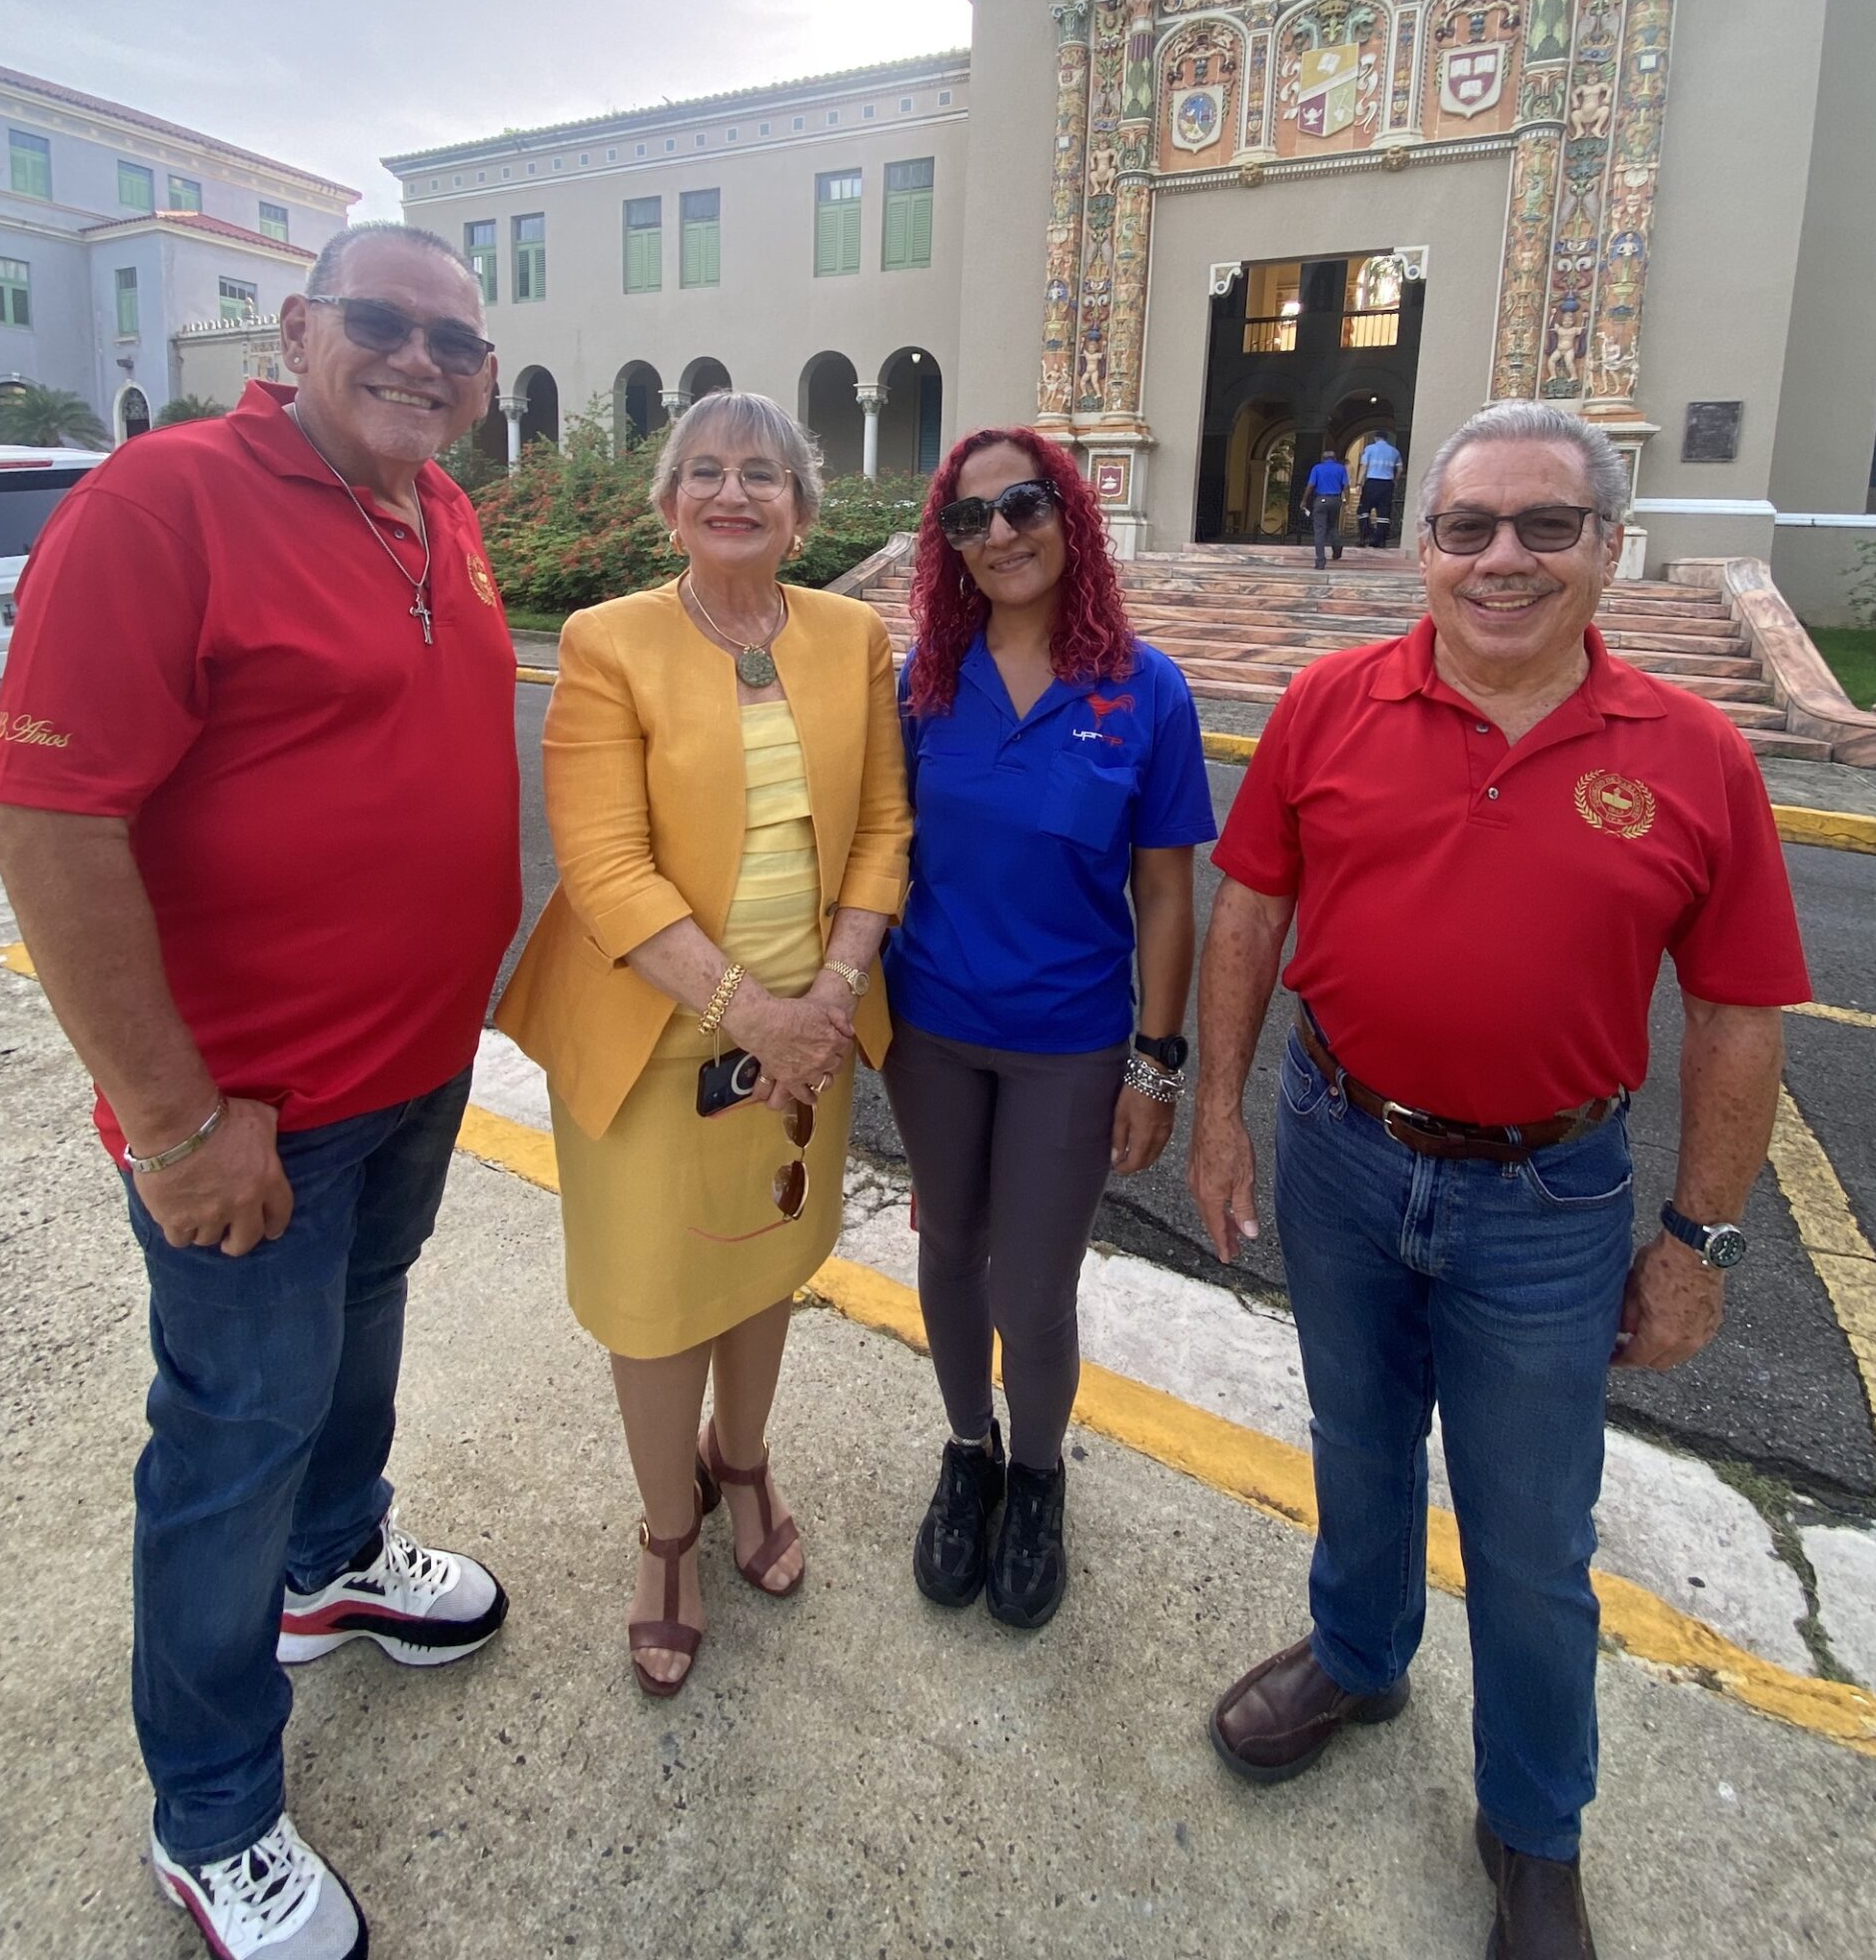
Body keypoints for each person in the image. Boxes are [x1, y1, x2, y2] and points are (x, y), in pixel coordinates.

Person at [1186, 400, 1808, 1960]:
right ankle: (1359, 1653)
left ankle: (1533, 1828)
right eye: (1468, 528)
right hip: (1340, 1151)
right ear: (1426, 546)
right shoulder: (1329, 703)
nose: (1503, 559)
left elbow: (1738, 1010)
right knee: (1359, 1440)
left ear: (1608, 547)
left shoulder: (1695, 753)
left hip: (1550, 1201)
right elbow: (1251, 908)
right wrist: (1219, 1112)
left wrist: (1701, 1239)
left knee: (1533, 1537)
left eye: (1545, 527)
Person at [0, 223, 523, 1960]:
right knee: (227, 1443)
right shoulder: (163, 502)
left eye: (455, 338)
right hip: (252, 1118)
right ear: (293, 333)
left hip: (414, 1076)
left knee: (354, 1348)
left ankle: (339, 1562)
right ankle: (212, 1815)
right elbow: (49, 828)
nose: (421, 359)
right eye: (381, 323)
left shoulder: (435, 507)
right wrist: (172, 1122)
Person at [494, 391, 910, 1698]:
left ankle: (744, 1462)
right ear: (669, 504)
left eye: (765, 475)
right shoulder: (608, 641)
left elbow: (888, 830)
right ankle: (667, 1537)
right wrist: (761, 1018)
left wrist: (829, 996)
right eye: (708, 473)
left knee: (766, 1262)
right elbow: (607, 868)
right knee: (653, 1298)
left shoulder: (852, 638)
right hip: (663, 1035)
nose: (736, 493)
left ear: (801, 511)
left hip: (810, 1038)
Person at [883, 429, 1216, 1629]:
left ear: (1068, 514)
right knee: (947, 1247)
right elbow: (879, 848)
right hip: (931, 1027)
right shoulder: (922, 679)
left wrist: (1157, 1063)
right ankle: (966, 1450)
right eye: (968, 520)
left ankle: (1037, 1473)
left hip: (1070, 1042)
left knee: (1034, 1283)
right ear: (949, 549)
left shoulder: (1144, 687)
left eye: (1021, 504)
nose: (1000, 534)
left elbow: (1167, 890)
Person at [1302, 444, 1347, 568]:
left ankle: (1320, 561)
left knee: (1319, 531)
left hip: (1321, 499)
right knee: (1332, 525)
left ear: (1323, 458)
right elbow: (1346, 486)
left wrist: (1304, 500)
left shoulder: (1317, 468)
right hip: (1336, 500)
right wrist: (1345, 500)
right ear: (1335, 458)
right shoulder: (1341, 468)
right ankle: (1337, 548)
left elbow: (1310, 485)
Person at [1356, 425, 1402, 548]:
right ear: (1386, 438)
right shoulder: (1394, 451)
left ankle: (1366, 535)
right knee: (1384, 513)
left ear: (1376, 438)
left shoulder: (1369, 449)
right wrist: (1395, 481)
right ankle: (1380, 540)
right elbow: (1400, 469)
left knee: (1363, 510)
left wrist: (1359, 483)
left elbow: (1364, 466)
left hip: (1372, 482)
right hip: (1387, 484)